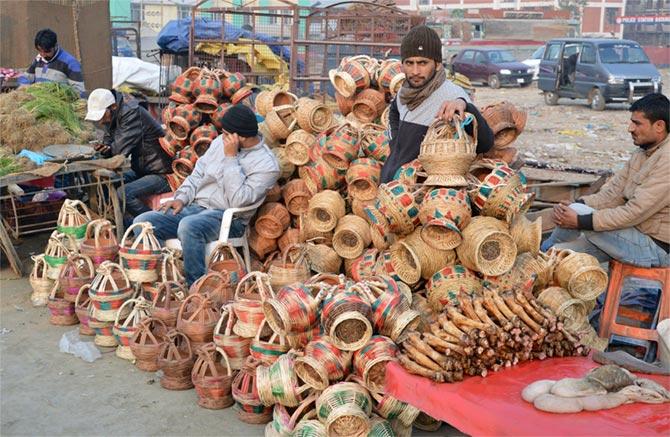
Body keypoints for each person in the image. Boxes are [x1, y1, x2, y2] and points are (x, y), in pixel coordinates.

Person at [541, 93, 669, 325]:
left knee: (579, 219)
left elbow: (634, 212)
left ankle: (536, 261)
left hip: (655, 247)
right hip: (628, 236)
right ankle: (542, 275)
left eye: (637, 123)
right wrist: (578, 205)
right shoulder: (642, 154)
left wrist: (581, 221)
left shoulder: (667, 159)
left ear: (659, 126)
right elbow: (612, 194)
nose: (630, 128)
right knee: (559, 253)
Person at [134, 105, 280, 285]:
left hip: (228, 219)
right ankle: (157, 282)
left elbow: (238, 201)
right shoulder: (221, 142)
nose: (222, 137)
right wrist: (181, 197)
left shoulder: (267, 165)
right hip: (194, 207)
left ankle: (196, 288)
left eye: (226, 133)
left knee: (189, 226)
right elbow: (197, 174)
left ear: (240, 137)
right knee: (143, 222)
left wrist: (231, 159)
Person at [380, 25, 494, 183]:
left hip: (421, 196)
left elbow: (485, 143)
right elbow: (394, 112)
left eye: (422, 63)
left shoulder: (453, 95)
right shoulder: (404, 91)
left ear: (438, 64)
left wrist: (466, 107)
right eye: (409, 63)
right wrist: (395, 144)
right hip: (393, 190)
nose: (415, 71)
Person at [85, 88, 173, 226]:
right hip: (143, 169)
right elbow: (110, 142)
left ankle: (153, 224)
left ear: (112, 107)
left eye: (102, 117)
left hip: (161, 172)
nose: (101, 122)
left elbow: (119, 150)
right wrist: (105, 148)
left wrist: (109, 149)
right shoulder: (115, 113)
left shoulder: (131, 114)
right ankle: (126, 226)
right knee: (106, 182)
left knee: (123, 193)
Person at [17, 29, 85, 96]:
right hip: (38, 102)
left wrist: (58, 93)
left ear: (55, 46)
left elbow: (79, 91)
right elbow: (25, 77)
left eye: (47, 51)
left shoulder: (70, 63)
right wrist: (26, 88)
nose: (43, 54)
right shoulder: (39, 59)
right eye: (40, 50)